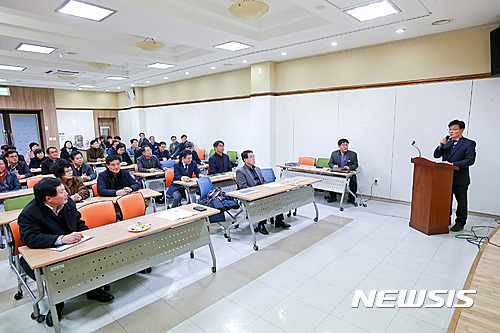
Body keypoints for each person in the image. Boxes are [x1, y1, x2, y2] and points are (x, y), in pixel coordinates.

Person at [18, 178, 114, 327]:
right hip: (44, 252)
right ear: (48, 198)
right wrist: (61, 239)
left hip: (71, 247)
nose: (66, 193)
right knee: (54, 272)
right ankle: (56, 303)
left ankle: (93, 289)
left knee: (94, 256)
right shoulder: (30, 212)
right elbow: (30, 238)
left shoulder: (67, 202)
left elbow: (79, 223)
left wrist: (89, 238)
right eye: (62, 191)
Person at [433, 119, 476, 232]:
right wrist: (441, 145)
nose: (451, 132)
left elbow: (470, 160)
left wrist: (452, 164)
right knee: (446, 200)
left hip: (460, 178)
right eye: (450, 129)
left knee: (461, 202)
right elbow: (436, 155)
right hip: (445, 178)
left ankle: (460, 223)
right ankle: (445, 220)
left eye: (454, 129)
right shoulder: (448, 142)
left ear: (461, 130)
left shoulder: (469, 143)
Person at [236, 150, 290, 234]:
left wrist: (268, 187)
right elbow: (243, 187)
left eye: (254, 156)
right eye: (251, 157)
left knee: (278, 196)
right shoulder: (241, 171)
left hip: (262, 191)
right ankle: (261, 224)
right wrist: (257, 191)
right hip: (252, 195)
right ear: (245, 160)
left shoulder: (257, 168)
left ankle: (279, 220)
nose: (253, 159)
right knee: (263, 200)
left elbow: (263, 181)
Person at [327, 138, 358, 204]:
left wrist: (349, 167)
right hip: (337, 173)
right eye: (343, 145)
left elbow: (355, 164)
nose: (345, 147)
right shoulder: (334, 153)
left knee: (353, 182)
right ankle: (333, 197)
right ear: (339, 146)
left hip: (348, 174)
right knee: (331, 179)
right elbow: (330, 163)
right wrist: (333, 166)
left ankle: (351, 198)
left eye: (347, 145)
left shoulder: (353, 154)